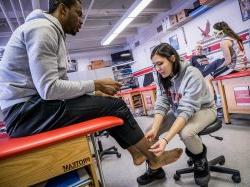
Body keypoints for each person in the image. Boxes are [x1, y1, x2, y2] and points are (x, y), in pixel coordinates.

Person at [0, 0, 183, 179]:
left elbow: (59, 86)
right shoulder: (44, 29)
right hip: (24, 113)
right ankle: (154, 158)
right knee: (116, 105)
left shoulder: (52, 32)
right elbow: (49, 89)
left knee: (109, 104)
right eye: (78, 14)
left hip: (31, 109)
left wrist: (94, 94)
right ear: (62, 9)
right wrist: (95, 84)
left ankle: (138, 154)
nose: (81, 20)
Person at [136, 43, 217, 186]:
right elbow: (162, 103)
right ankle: (156, 169)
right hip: (178, 110)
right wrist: (155, 129)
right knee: (149, 132)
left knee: (186, 133)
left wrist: (166, 140)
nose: (157, 68)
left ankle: (200, 160)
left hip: (204, 109)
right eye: (154, 65)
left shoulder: (192, 73)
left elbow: (187, 111)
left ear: (173, 58)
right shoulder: (161, 75)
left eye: (160, 63)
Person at [205, 21, 248, 97]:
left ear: (221, 32)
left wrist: (218, 68)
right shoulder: (235, 38)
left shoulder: (224, 42)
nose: (213, 34)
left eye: (214, 32)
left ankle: (212, 104)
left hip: (235, 67)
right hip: (242, 65)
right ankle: (220, 99)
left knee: (207, 79)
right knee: (214, 78)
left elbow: (228, 61)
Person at [191, 44, 224, 110]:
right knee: (218, 61)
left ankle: (219, 99)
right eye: (198, 49)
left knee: (214, 80)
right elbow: (191, 68)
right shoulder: (193, 58)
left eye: (200, 49)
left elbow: (208, 64)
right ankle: (213, 102)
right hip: (202, 72)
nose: (199, 50)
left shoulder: (204, 56)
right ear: (194, 51)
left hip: (208, 70)